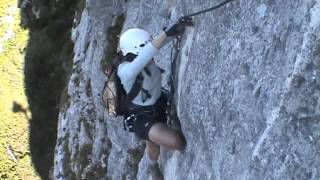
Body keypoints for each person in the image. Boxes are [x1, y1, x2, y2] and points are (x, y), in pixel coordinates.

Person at [117, 18, 193, 180]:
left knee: (153, 142)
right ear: (135, 51)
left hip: (158, 105)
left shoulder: (143, 55)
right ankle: (152, 165)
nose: (152, 57)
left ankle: (151, 143)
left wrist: (175, 30)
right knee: (177, 142)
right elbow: (148, 51)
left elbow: (153, 47)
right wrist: (165, 35)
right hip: (140, 117)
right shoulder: (125, 71)